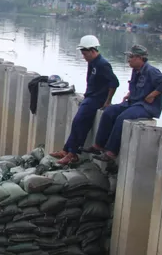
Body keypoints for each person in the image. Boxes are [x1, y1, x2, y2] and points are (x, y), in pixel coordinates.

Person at [86, 44, 162, 159]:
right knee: (109, 112)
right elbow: (139, 86)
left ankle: (111, 152)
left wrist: (152, 95)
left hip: (145, 106)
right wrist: (130, 94)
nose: (129, 60)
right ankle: (99, 146)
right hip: (133, 102)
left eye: (131, 57)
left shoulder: (151, 71)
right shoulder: (136, 70)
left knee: (122, 118)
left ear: (140, 58)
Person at [51, 35, 119, 165]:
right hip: (90, 97)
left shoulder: (103, 64)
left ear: (92, 51)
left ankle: (72, 153)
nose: (83, 57)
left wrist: (107, 101)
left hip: (97, 99)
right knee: (77, 123)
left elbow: (114, 83)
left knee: (80, 122)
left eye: (85, 54)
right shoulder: (92, 63)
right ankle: (66, 150)